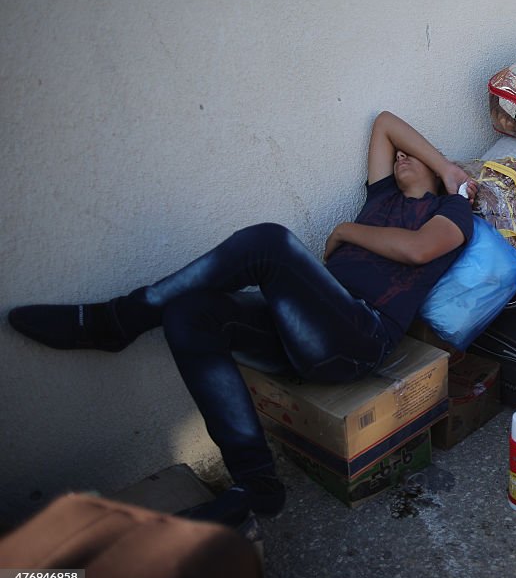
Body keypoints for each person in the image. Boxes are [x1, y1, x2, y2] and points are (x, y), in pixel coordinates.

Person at [7, 112, 477, 525]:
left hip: (360, 335)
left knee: (269, 242)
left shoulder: (448, 212)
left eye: (412, 159)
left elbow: (418, 249)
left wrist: (431, 187)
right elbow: (386, 123)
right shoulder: (381, 198)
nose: (400, 159)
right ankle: (257, 485)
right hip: (303, 330)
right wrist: (439, 165)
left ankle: (118, 320)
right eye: (399, 158)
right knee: (190, 315)